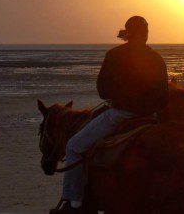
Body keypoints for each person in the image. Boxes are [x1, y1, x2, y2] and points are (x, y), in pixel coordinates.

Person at [53, 16, 169, 213]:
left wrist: (120, 97)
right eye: (146, 31)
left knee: (73, 146)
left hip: (120, 115)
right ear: (144, 33)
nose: (147, 35)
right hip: (151, 118)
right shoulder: (156, 58)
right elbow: (163, 97)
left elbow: (103, 90)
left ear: (128, 32)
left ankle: (74, 204)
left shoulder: (115, 55)